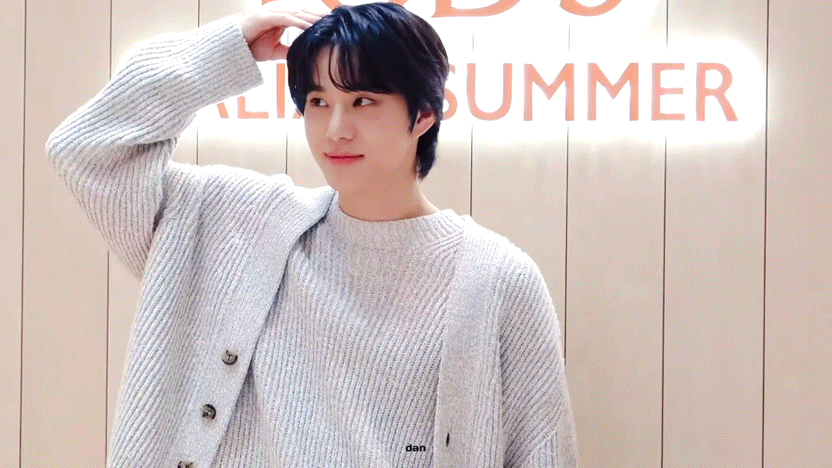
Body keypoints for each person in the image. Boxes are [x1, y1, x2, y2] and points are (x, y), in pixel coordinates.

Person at [45, 1, 579, 467]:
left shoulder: (497, 279)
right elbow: (87, 150)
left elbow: (542, 452)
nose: (335, 130)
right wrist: (229, 48)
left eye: (363, 101)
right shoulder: (235, 225)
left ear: (422, 115)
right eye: (318, 102)